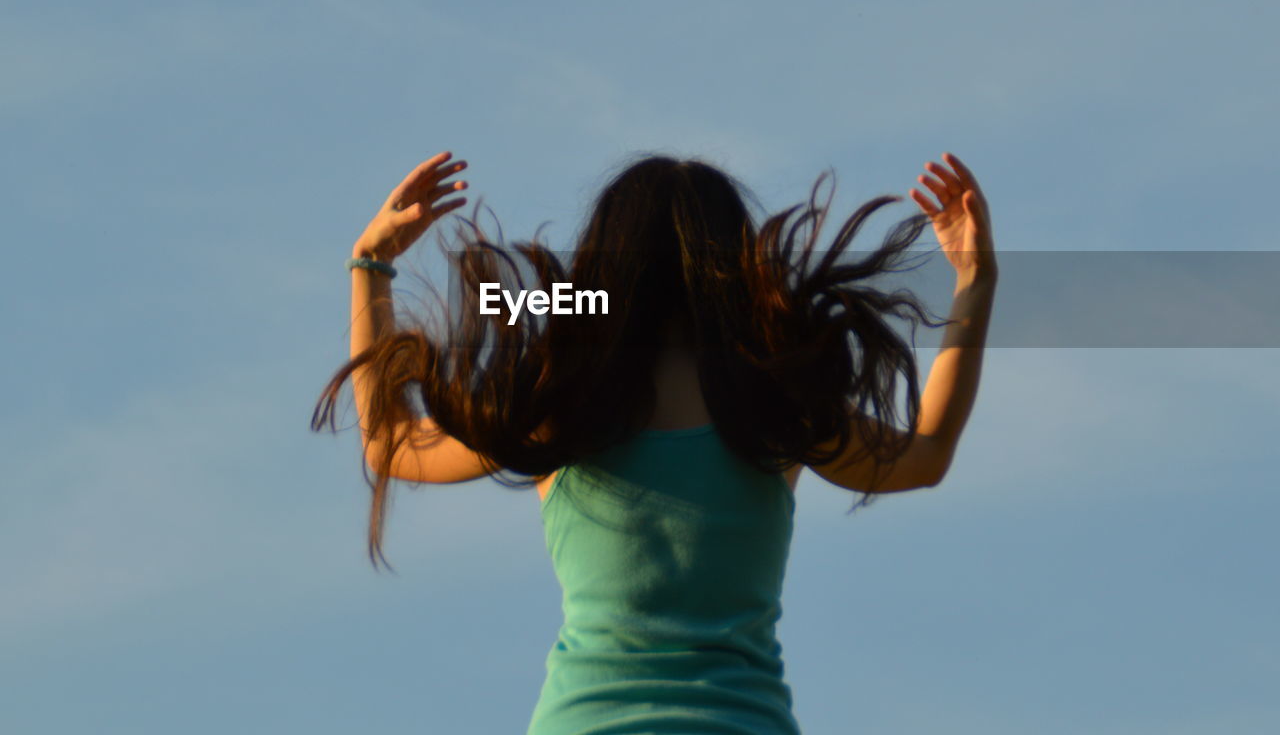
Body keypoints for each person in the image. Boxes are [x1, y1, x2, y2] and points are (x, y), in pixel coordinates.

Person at [312, 150, 998, 734]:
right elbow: (927, 452)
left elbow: (389, 443)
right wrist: (974, 282)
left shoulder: (561, 404)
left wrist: (370, 264)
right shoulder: (774, 403)